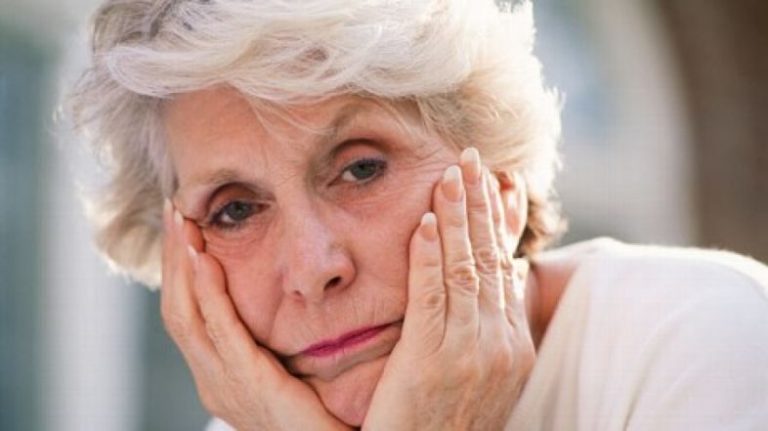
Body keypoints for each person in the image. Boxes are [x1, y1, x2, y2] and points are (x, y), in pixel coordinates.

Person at [68, 0, 768, 429]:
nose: (313, 268)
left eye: (361, 168)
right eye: (236, 210)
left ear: (497, 175)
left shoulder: (704, 337)